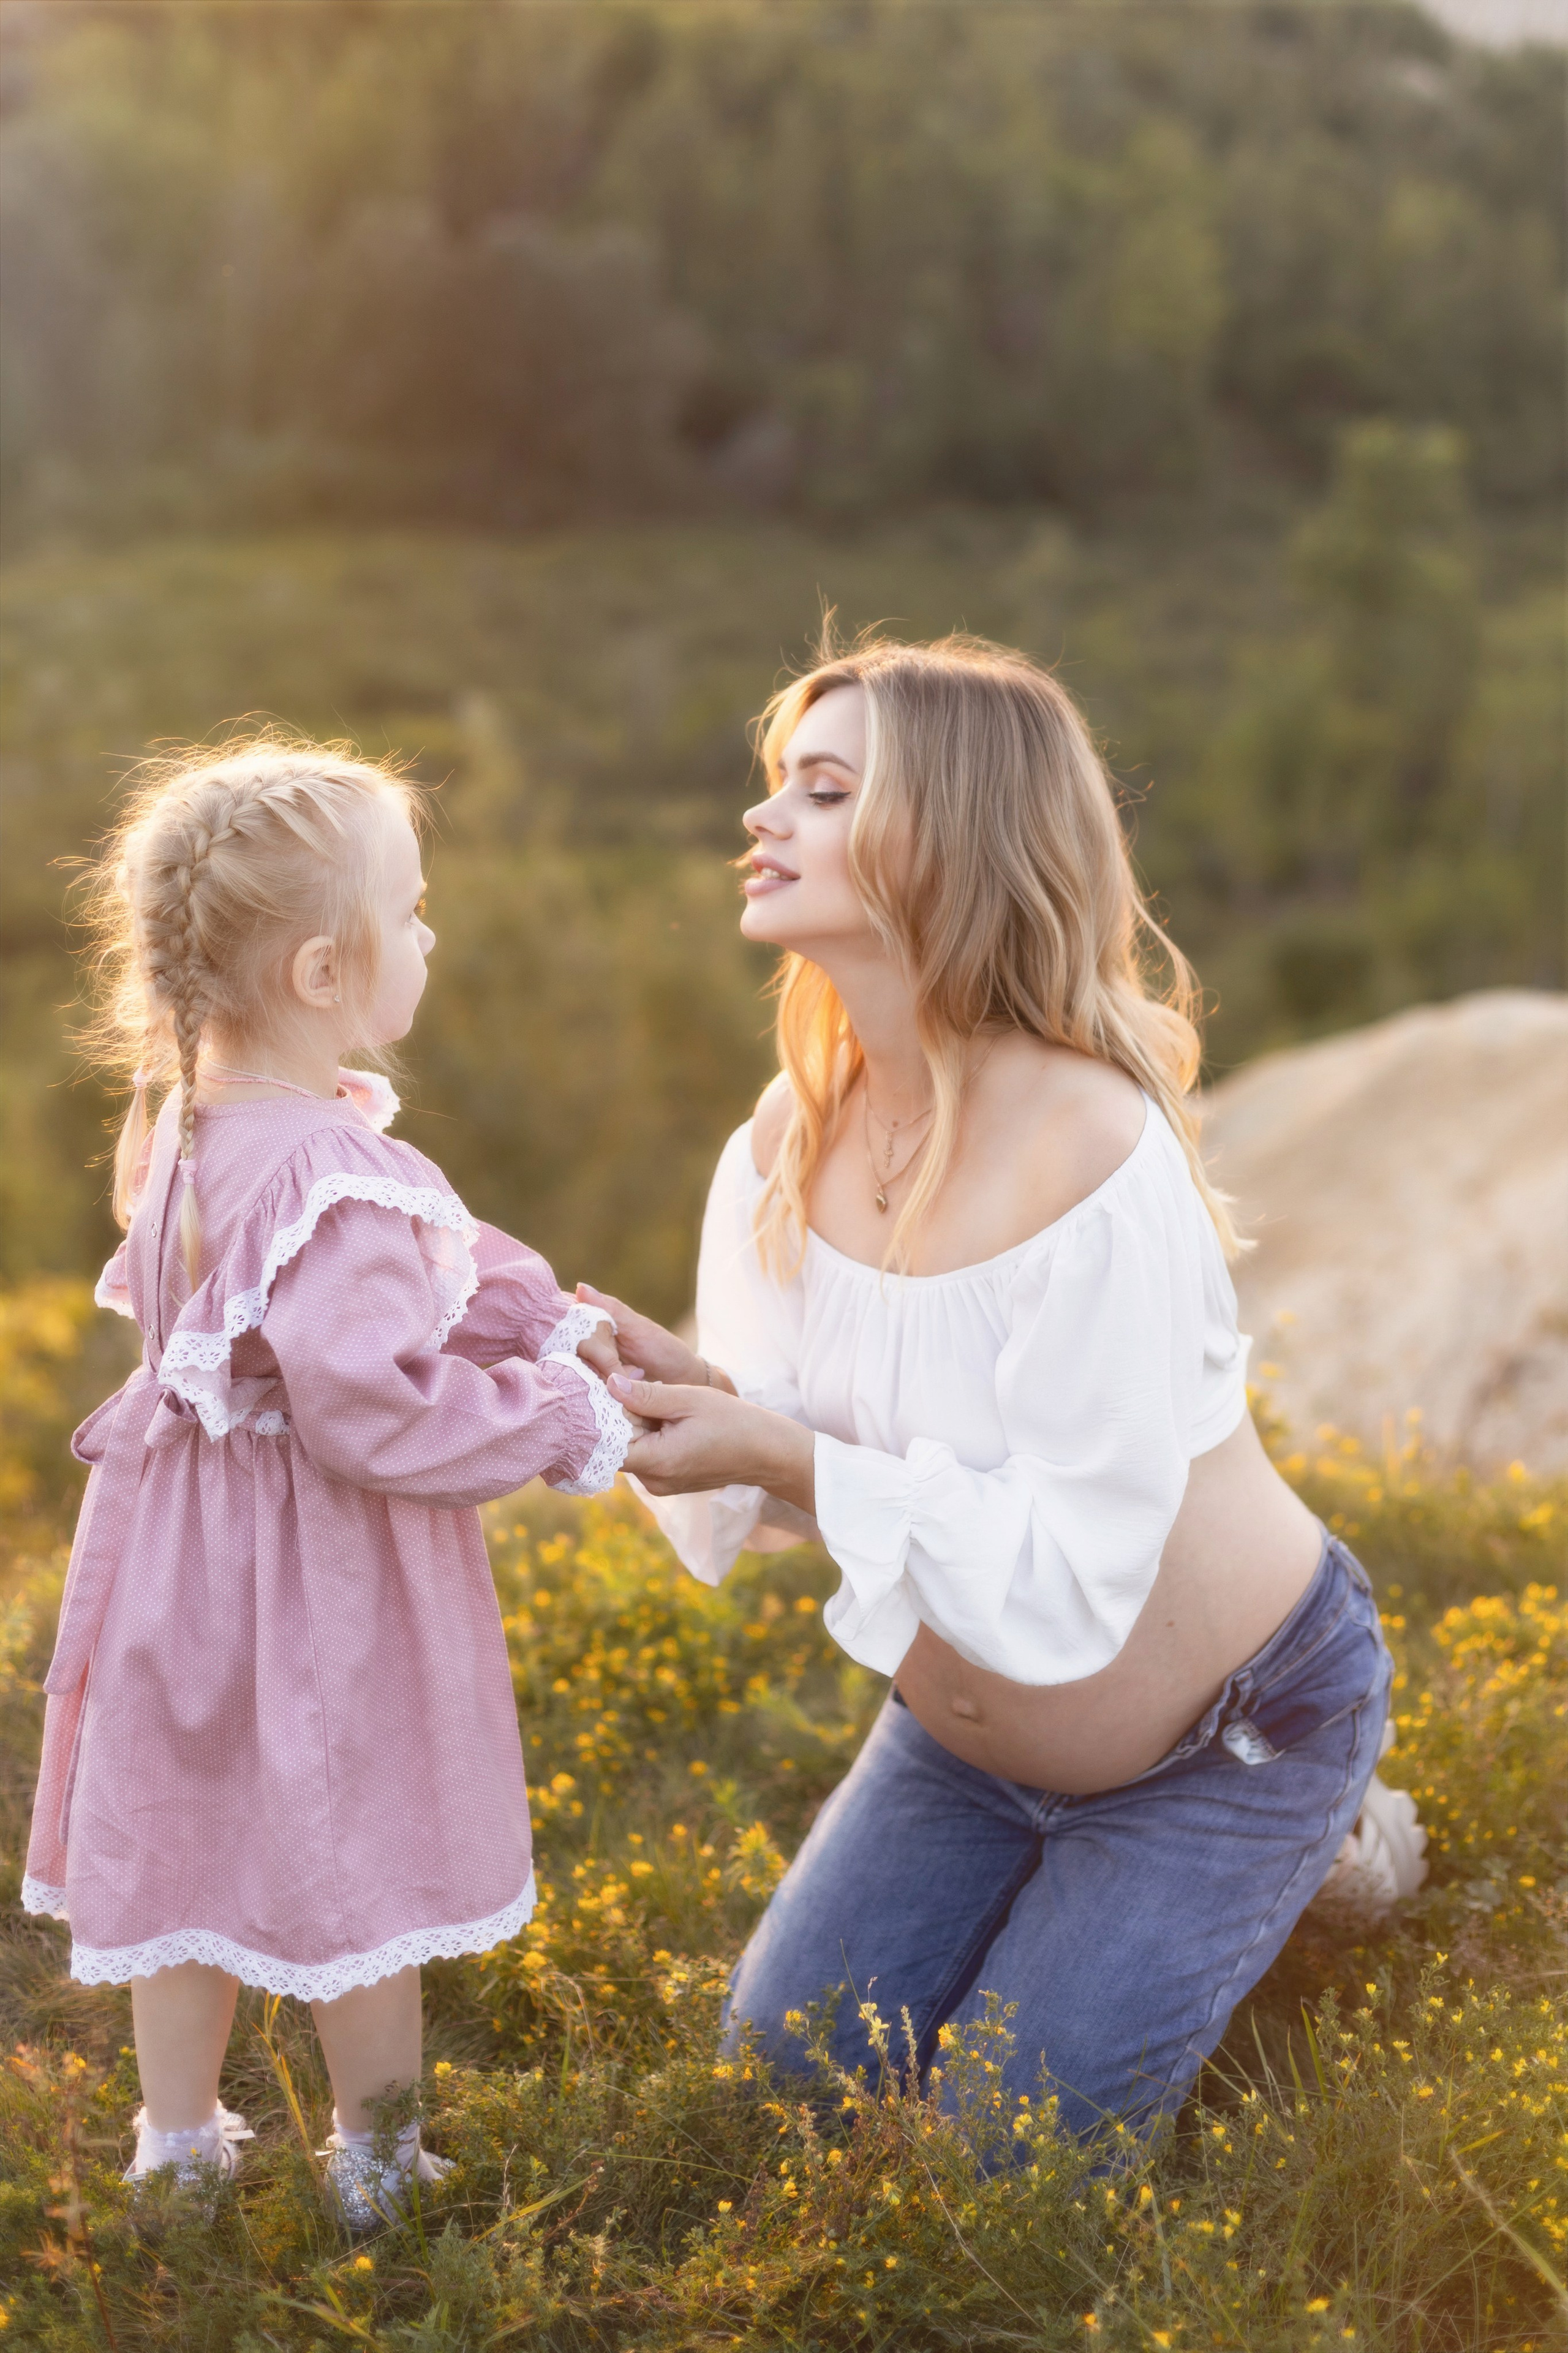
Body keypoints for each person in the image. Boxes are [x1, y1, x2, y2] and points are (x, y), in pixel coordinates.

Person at [588, 633, 1399, 2149]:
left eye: (821, 793)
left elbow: (1071, 1564)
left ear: (946, 841)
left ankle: (1326, 1836)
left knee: (997, 2163)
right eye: (778, 785)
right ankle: (1092, 1890)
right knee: (783, 2088)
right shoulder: (787, 1137)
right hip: (961, 1739)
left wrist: (779, 1449)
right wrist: (685, 1400)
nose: (763, 821)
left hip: (1222, 1730)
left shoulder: (1085, 1150)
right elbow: (796, 1443)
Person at [22, 739, 633, 2226]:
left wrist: (553, 1316)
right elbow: (375, 1407)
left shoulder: (182, 1126)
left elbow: (427, 1281)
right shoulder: (346, 1174)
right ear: (317, 971)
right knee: (362, 1838)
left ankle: (176, 2148)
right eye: (411, 910)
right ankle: (374, 2162)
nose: (429, 934)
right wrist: (552, 1409)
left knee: (187, 1823)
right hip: (317, 1576)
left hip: (175, 1558)